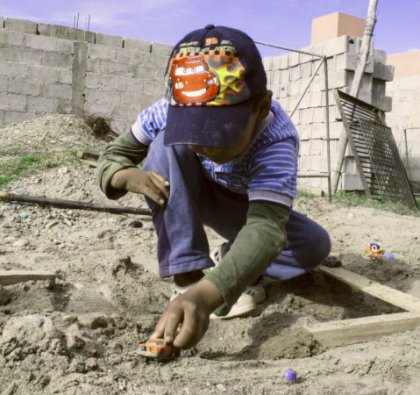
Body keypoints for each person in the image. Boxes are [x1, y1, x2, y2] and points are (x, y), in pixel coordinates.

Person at [97, 24, 331, 350]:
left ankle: (228, 265)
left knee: (314, 245)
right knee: (165, 145)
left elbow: (265, 226)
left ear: (261, 107)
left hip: (244, 208)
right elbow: (113, 155)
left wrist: (210, 295)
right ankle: (187, 276)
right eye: (193, 134)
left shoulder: (276, 139)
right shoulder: (166, 111)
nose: (204, 146)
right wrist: (125, 176)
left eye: (220, 134)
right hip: (190, 191)